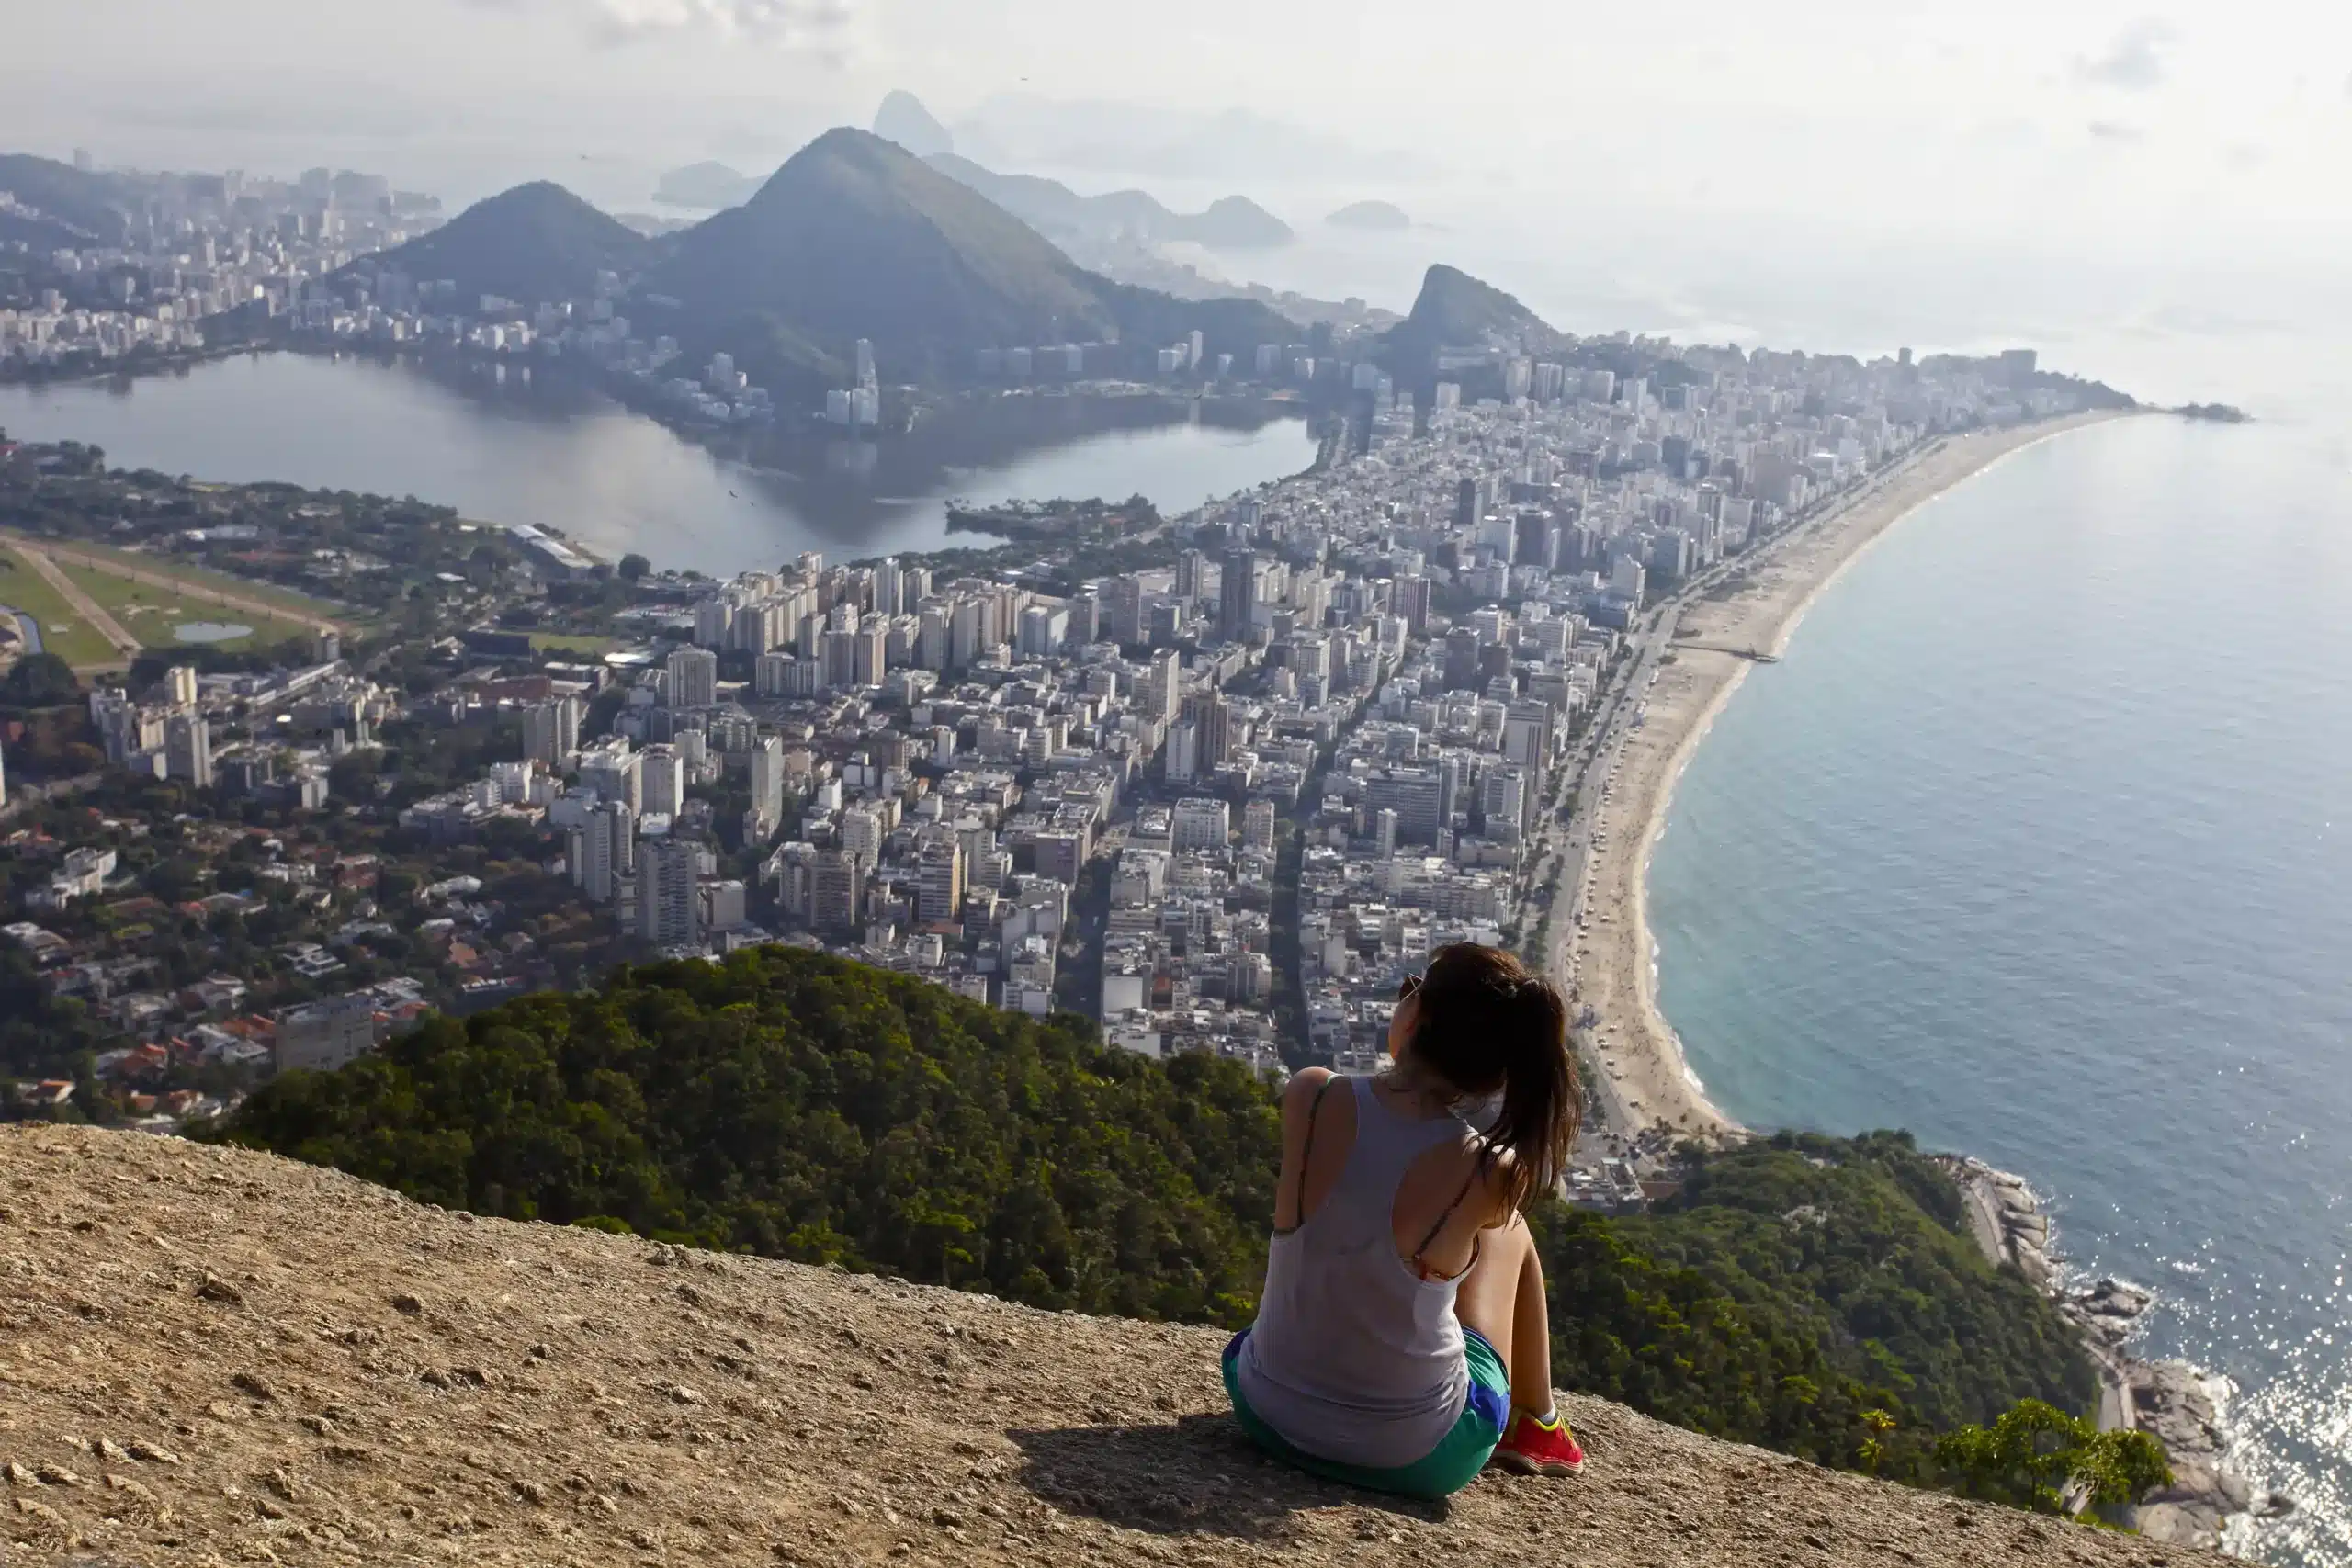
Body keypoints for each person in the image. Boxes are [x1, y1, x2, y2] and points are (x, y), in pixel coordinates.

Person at [1222, 942, 1586, 1499]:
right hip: (1419, 1457)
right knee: (1508, 1231)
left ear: (1417, 1015)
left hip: (1268, 1412)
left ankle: (1533, 1420)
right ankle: (1539, 1422)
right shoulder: (1491, 1171)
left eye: (1410, 988)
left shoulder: (1311, 1095)